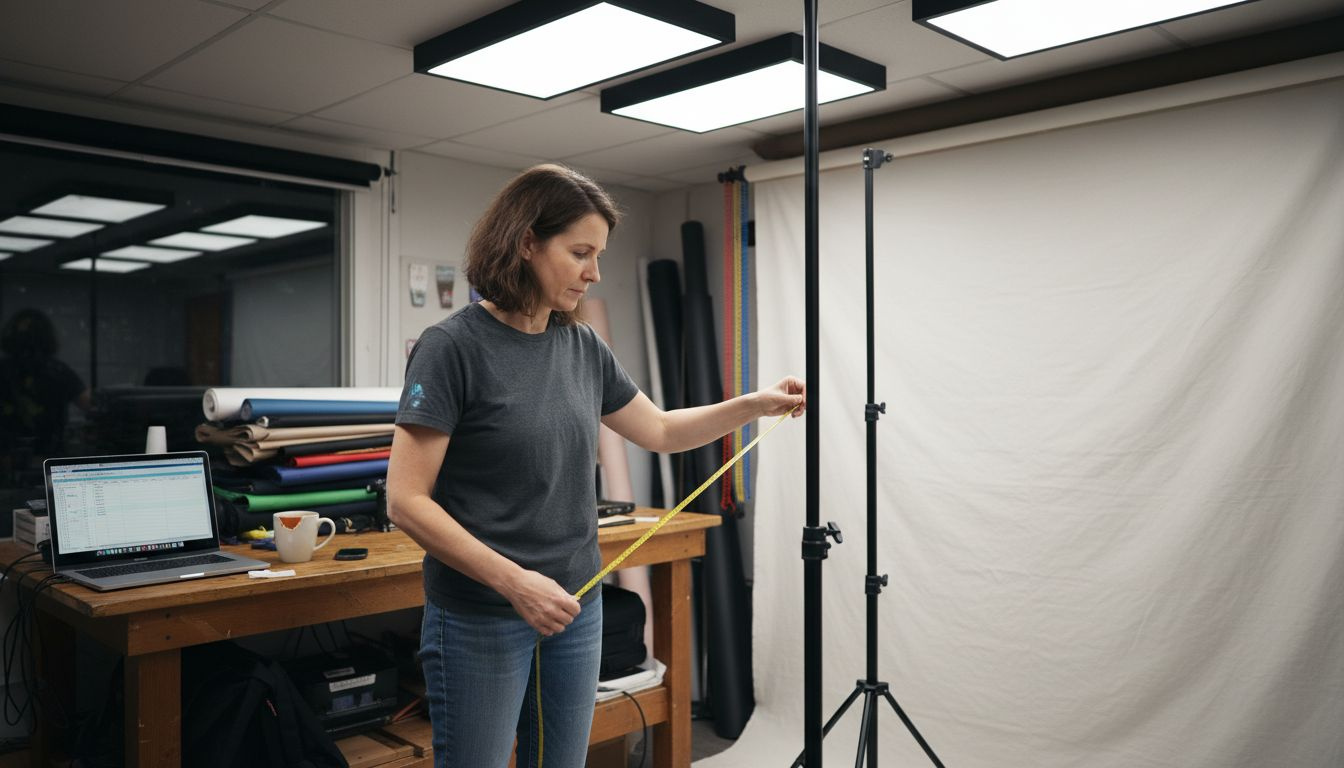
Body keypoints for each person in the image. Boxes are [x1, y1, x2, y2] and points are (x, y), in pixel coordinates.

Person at [386, 164, 805, 768]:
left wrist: (756, 404)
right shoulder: (452, 348)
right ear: (526, 241)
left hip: (575, 604)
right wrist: (515, 583)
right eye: (580, 252)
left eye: (599, 254)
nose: (594, 272)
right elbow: (406, 501)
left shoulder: (583, 346)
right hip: (482, 616)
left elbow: (658, 429)